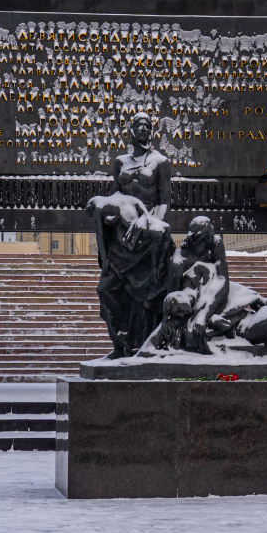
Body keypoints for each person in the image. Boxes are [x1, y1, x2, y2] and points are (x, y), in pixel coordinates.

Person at [85, 114, 174, 356]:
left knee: (147, 298)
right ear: (131, 131)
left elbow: (164, 201)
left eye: (148, 126)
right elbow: (116, 192)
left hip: (149, 237)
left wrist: (152, 222)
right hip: (121, 239)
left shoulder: (161, 162)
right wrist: (111, 212)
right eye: (139, 125)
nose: (144, 129)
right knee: (106, 289)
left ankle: (144, 347)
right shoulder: (120, 162)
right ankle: (120, 343)